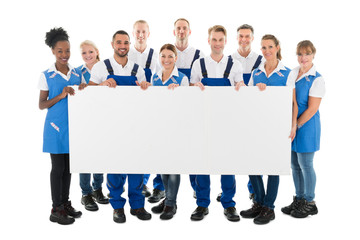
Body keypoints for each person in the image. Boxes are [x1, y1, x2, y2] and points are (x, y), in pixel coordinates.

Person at [88, 30, 151, 223]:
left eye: (125, 42)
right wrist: (101, 86)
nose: (122, 46)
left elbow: (146, 98)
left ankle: (138, 206)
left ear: (129, 44)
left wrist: (145, 88)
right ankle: (117, 207)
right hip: (111, 126)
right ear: (112, 44)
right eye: (119, 42)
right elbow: (88, 95)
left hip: (134, 125)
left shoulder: (137, 69)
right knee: (115, 167)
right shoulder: (100, 67)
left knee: (136, 166)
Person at [238, 34, 296, 225]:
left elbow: (293, 103)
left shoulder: (288, 73)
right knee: (252, 164)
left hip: (278, 127)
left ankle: (269, 207)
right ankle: (259, 203)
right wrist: (251, 89)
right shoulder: (256, 73)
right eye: (263, 48)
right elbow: (248, 100)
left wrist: (293, 125)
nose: (267, 51)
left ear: (277, 47)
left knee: (273, 167)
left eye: (270, 47)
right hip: (257, 126)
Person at [190, 25, 244, 222]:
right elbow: (189, 90)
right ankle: (202, 204)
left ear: (225, 41)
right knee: (202, 163)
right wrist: (193, 86)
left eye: (221, 40)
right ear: (208, 41)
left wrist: (241, 86)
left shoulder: (235, 65)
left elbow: (241, 89)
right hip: (203, 119)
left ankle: (229, 204)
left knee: (226, 163)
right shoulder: (199, 64)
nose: (217, 44)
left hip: (226, 120)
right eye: (214, 40)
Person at [38, 27, 84, 225]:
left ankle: (64, 204)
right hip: (55, 129)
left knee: (68, 169)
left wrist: (84, 88)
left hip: (73, 128)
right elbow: (41, 105)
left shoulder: (77, 73)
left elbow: (86, 98)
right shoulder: (46, 75)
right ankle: (56, 208)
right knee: (57, 168)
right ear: (53, 52)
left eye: (67, 51)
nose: (64, 55)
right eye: (60, 51)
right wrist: (61, 95)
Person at [138, 43, 189, 220]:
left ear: (176, 58)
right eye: (163, 56)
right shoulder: (155, 77)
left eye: (170, 56)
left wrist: (179, 94)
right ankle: (167, 198)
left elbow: (187, 107)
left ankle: (171, 203)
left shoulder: (181, 79)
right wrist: (145, 87)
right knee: (162, 166)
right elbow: (152, 102)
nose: (166, 59)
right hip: (159, 127)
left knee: (173, 167)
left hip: (175, 128)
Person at [217, 24, 263, 202]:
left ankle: (253, 189)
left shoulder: (261, 60)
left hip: (252, 112)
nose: (244, 39)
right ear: (236, 38)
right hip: (230, 112)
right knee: (228, 153)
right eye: (241, 36)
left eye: (247, 36)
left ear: (252, 38)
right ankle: (227, 192)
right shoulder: (228, 60)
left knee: (252, 151)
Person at [281, 40, 325, 218]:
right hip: (292, 124)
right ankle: (299, 199)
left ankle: (310, 202)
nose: (303, 57)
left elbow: (312, 109)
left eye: (307, 54)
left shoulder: (317, 78)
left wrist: (296, 125)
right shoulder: (293, 73)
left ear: (313, 54)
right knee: (294, 165)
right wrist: (291, 125)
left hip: (307, 126)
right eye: (300, 54)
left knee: (306, 165)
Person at [128, 20, 164, 201]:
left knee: (153, 145)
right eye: (137, 32)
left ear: (148, 34)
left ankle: (155, 185)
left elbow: (159, 79)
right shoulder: (127, 53)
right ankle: (137, 184)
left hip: (151, 105)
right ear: (133, 33)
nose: (140, 35)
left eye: (143, 32)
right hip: (130, 106)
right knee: (135, 144)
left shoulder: (155, 55)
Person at [173, 17, 205, 198]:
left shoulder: (198, 55)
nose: (181, 31)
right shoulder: (166, 53)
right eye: (178, 28)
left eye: (184, 28)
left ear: (190, 32)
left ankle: (196, 186)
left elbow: (198, 82)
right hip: (171, 108)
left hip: (191, 108)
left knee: (193, 148)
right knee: (167, 147)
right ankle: (160, 187)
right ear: (174, 31)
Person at [76, 40, 109, 211]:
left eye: (90, 52)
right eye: (84, 53)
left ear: (97, 51)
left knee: (100, 155)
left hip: (102, 117)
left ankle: (97, 189)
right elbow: (76, 91)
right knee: (86, 156)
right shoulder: (78, 72)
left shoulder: (106, 67)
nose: (88, 55)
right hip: (84, 119)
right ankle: (85, 193)